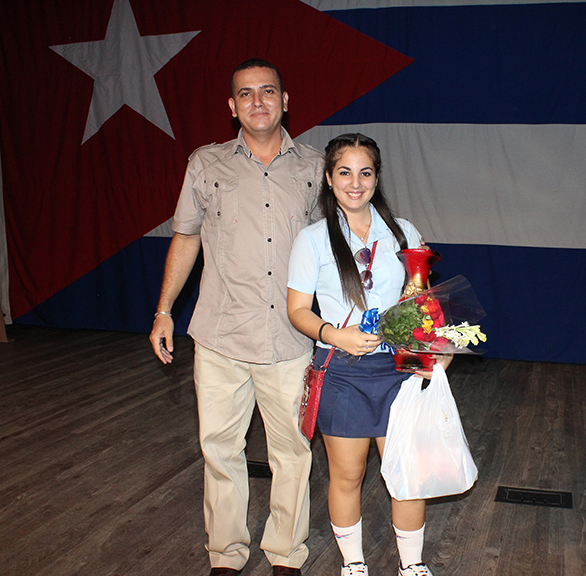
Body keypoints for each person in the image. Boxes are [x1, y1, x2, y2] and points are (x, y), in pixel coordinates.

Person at [149, 58, 323, 576]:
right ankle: (224, 557)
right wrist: (163, 312)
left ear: (285, 100)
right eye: (245, 94)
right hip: (220, 336)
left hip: (289, 339)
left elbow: (331, 251)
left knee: (292, 453)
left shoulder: (315, 167)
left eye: (267, 91)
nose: (257, 102)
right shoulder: (205, 164)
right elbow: (185, 237)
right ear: (232, 107)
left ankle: (286, 556)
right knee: (220, 451)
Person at [287, 133, 450, 576]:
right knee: (347, 475)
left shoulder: (403, 231)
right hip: (342, 370)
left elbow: (420, 302)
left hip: (398, 370)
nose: (355, 183)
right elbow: (297, 311)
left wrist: (436, 346)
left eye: (365, 173)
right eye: (344, 172)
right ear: (328, 177)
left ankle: (411, 566)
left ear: (377, 179)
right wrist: (334, 336)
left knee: (406, 475)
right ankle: (353, 564)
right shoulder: (313, 239)